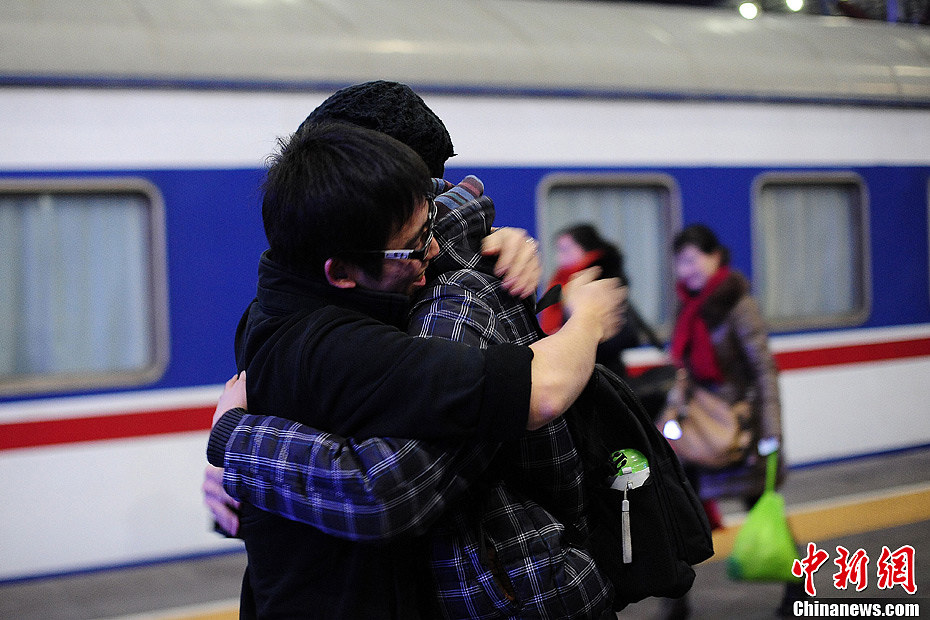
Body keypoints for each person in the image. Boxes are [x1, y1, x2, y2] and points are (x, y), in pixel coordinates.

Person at [209, 121, 624, 619]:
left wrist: (492, 237)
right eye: (414, 242)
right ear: (339, 271)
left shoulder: (272, 305)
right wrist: (589, 319)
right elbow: (541, 394)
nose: (430, 249)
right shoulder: (346, 347)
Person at [665, 223, 793, 619]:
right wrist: (671, 414)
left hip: (741, 429)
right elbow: (683, 370)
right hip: (700, 427)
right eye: (679, 261)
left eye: (693, 259)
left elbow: (763, 371)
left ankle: (797, 589)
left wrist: (771, 432)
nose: (686, 269)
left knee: (762, 508)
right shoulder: (687, 306)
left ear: (715, 256)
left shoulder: (738, 303)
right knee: (679, 512)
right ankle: (677, 601)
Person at [539, 223, 648, 377]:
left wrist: (577, 336)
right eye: (558, 250)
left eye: (566, 249)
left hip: (601, 371)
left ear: (586, 248)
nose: (559, 257)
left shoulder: (601, 281)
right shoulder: (561, 281)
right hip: (572, 368)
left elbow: (620, 333)